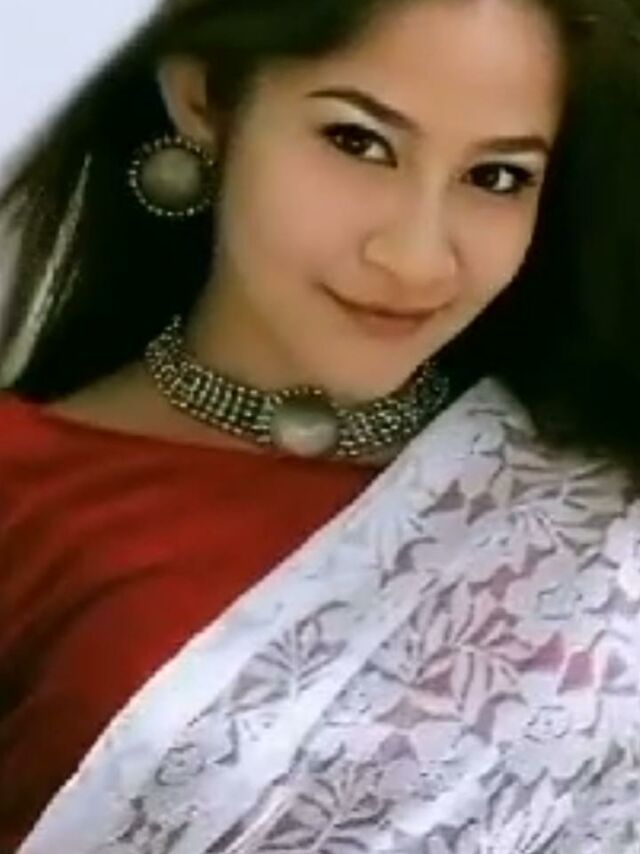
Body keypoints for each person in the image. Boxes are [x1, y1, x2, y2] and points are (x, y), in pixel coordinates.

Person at [1, 0, 640, 849]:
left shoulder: (596, 504)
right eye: (357, 141)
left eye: (496, 178)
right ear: (205, 100)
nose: (415, 258)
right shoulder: (23, 492)